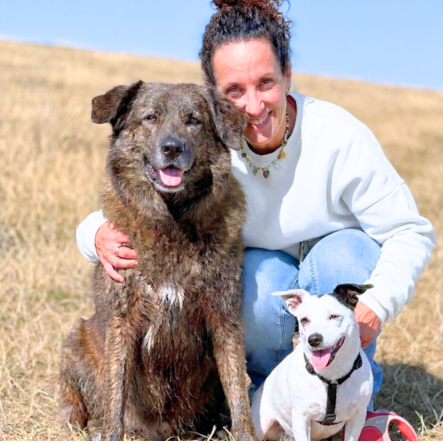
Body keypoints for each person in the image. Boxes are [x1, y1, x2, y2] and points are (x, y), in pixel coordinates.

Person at [76, 0, 435, 413]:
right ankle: (273, 400)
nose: (252, 105)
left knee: (347, 258)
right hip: (267, 273)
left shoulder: (340, 137)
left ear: (287, 75)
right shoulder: (206, 146)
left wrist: (379, 302)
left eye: (265, 82)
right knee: (253, 286)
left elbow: (410, 231)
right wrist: (94, 235)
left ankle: (351, 400)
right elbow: (143, 211)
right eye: (234, 90)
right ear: (213, 93)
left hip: (334, 265)